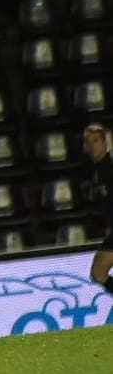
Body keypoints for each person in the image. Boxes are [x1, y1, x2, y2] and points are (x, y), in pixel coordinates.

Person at [83, 123, 113, 295]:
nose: (92, 146)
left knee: (98, 272)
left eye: (95, 141)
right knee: (98, 273)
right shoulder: (96, 169)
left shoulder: (110, 167)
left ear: (104, 143)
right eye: (89, 142)